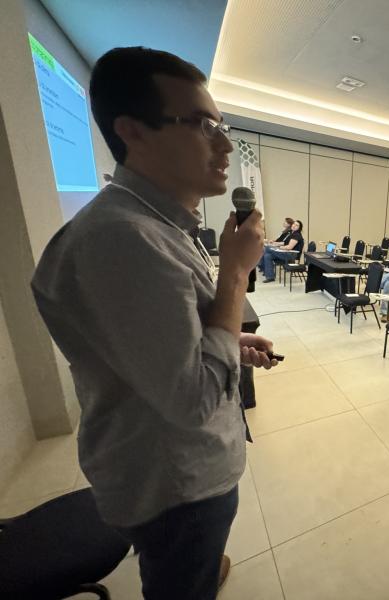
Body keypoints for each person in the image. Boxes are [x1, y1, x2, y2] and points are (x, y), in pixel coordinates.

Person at [31, 47, 280, 599]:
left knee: (188, 562)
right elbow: (190, 400)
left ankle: (197, 563)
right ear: (133, 131)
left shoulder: (154, 224)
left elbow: (151, 344)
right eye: (201, 123)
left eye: (222, 125)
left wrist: (230, 338)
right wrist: (236, 274)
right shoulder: (123, 240)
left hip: (171, 472)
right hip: (177, 486)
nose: (224, 144)